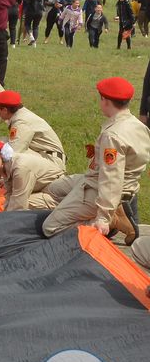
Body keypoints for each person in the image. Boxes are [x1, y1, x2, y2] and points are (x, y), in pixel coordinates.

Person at [40, 77, 150, 241]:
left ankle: (113, 220)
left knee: (50, 228)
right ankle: (105, 212)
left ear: (105, 101)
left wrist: (103, 217)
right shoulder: (138, 126)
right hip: (97, 180)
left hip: (99, 190)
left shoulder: (113, 135)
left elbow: (111, 178)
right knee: (53, 189)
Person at [0, 138, 65, 212]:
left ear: (2, 154)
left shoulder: (20, 167)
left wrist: (4, 223)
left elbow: (18, 203)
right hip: (45, 189)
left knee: (24, 203)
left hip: (59, 194)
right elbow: (9, 195)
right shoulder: (6, 166)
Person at [0, 90, 66, 166]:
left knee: (5, 148)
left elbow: (13, 153)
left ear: (5, 110)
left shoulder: (22, 122)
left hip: (52, 162)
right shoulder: (21, 114)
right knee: (4, 144)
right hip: (47, 156)